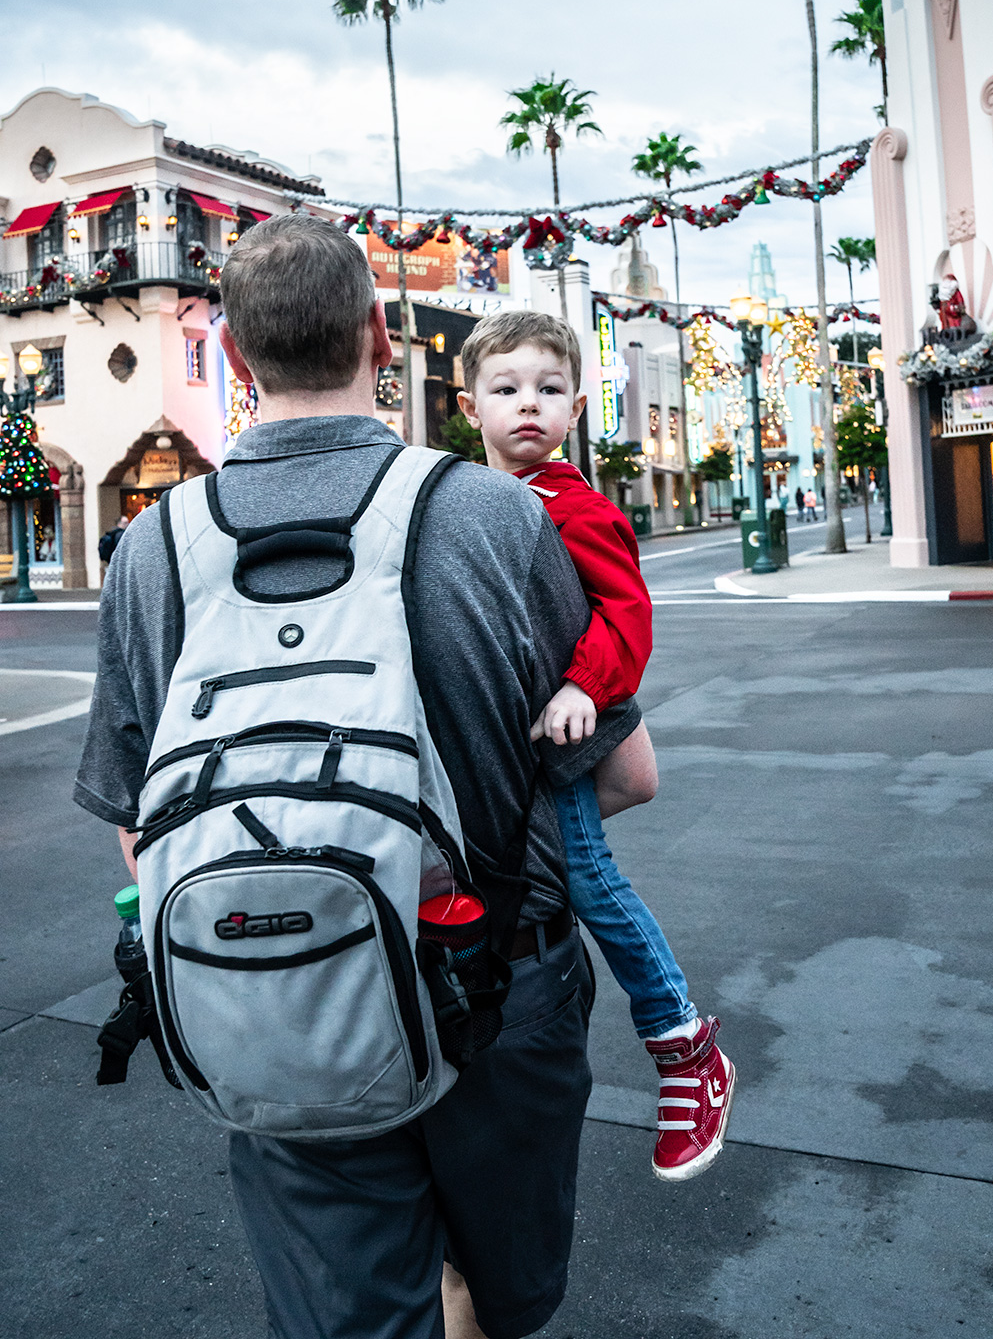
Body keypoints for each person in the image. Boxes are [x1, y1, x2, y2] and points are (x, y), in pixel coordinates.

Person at [75, 215, 658, 1339]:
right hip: (499, 985)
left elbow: (138, 827)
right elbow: (626, 774)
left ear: (237, 358)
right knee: (501, 1288)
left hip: (268, 987)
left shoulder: (152, 548)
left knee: (346, 1310)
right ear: (381, 338)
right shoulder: (495, 515)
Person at [457, 310, 735, 1184]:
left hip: (556, 735)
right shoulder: (473, 501)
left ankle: (684, 1043)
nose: (526, 407)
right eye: (505, 391)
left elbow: (627, 613)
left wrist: (584, 686)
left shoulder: (571, 507)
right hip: (502, 739)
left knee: (589, 881)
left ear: (575, 407)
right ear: (472, 408)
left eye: (547, 390)